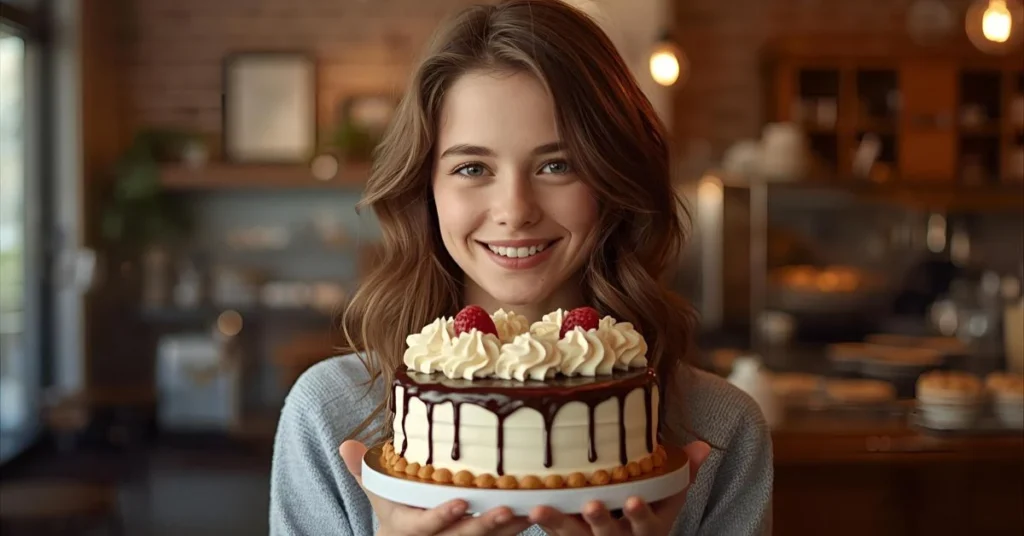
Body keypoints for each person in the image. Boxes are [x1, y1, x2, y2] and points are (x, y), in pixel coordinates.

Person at [270, 1, 773, 534]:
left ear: (612, 181)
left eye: (557, 165)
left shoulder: (720, 431)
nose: (515, 210)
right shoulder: (329, 414)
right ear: (426, 189)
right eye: (472, 168)